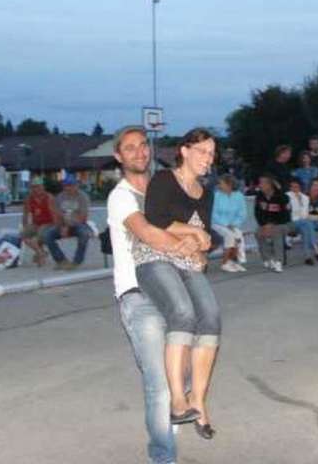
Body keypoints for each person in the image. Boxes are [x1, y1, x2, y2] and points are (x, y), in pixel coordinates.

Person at [108, 125, 203, 463]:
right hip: (139, 297)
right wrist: (189, 245)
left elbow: (197, 233)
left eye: (142, 146)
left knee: (186, 370)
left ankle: (171, 419)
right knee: (159, 384)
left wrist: (197, 246)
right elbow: (148, 233)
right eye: (129, 148)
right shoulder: (121, 196)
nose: (139, 152)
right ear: (119, 156)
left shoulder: (162, 190)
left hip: (173, 288)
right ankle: (163, 457)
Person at [133, 128, 221, 439]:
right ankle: (178, 401)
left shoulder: (207, 193)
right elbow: (155, 218)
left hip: (188, 261)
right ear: (184, 151)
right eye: (202, 152)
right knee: (183, 312)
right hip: (155, 256)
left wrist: (202, 244)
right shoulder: (163, 180)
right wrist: (192, 233)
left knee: (211, 318)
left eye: (212, 154)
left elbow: (204, 235)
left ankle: (199, 401)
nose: (208, 159)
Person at [44, 174, 91, 270]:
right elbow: (57, 214)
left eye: (71, 185)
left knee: (84, 234)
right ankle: (61, 260)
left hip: (78, 224)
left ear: (76, 185)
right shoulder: (60, 197)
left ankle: (77, 261)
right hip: (62, 224)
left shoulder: (83, 197)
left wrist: (68, 226)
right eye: (66, 185)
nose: (68, 188)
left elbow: (83, 217)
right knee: (47, 235)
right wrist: (62, 226)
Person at [211, 173, 248, 272]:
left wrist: (234, 224)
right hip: (217, 224)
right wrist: (226, 224)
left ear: (229, 184)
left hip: (233, 225)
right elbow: (213, 214)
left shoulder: (239, 196)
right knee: (230, 236)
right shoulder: (216, 195)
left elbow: (242, 213)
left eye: (221, 183)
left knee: (238, 236)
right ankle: (224, 263)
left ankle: (234, 262)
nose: (219, 185)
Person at [254, 174, 291, 272]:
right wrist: (264, 225)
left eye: (262, 183)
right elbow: (258, 213)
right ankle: (268, 259)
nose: (260, 185)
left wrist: (272, 224)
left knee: (276, 231)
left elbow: (285, 215)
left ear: (269, 185)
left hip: (283, 224)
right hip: (266, 225)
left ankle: (279, 261)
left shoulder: (281, 196)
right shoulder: (259, 196)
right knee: (258, 233)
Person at [287, 179, 318, 265]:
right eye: (292, 187)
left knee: (306, 228)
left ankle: (307, 257)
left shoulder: (305, 198)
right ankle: (316, 250)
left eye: (296, 187)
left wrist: (299, 202)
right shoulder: (287, 196)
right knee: (308, 223)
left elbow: (304, 214)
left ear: (300, 188)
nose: (294, 189)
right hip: (292, 222)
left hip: (303, 222)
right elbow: (292, 215)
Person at [21, 177, 55, 266]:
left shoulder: (49, 197)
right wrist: (25, 226)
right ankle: (41, 252)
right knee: (24, 235)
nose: (36, 189)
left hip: (49, 222)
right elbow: (25, 214)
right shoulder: (29, 199)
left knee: (37, 237)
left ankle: (40, 255)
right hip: (36, 223)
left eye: (38, 187)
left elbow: (54, 213)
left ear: (43, 187)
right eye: (34, 187)